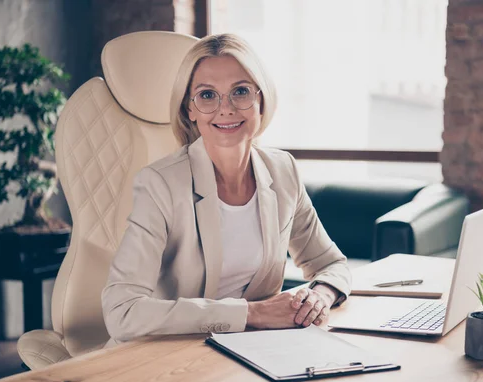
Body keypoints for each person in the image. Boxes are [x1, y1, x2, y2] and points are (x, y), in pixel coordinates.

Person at [101, 33, 351, 344]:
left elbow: (331, 264)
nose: (226, 108)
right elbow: (121, 312)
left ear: (262, 100)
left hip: (252, 349)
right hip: (168, 354)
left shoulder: (283, 170)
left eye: (241, 91)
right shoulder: (160, 184)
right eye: (207, 95)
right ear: (189, 110)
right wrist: (252, 313)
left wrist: (321, 296)